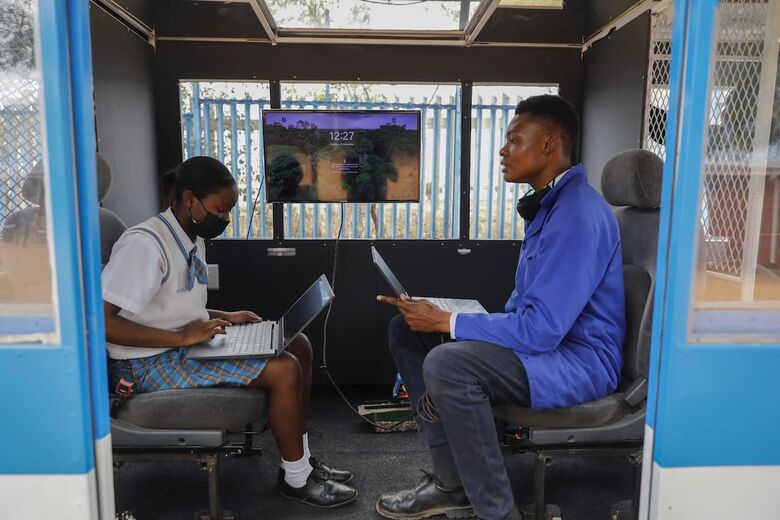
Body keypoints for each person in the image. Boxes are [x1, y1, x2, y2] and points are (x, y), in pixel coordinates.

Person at [375, 95, 625, 520]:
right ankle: (450, 483)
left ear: (549, 144)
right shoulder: (551, 206)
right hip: (547, 347)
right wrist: (444, 321)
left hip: (578, 361)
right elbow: (528, 314)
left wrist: (450, 321)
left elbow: (543, 330)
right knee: (407, 331)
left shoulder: (578, 215)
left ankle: (496, 512)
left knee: (448, 365)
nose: (503, 151)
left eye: (514, 140)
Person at [102, 156, 357, 508]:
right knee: (283, 370)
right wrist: (181, 338)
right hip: (144, 365)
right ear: (189, 199)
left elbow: (167, 305)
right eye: (220, 210)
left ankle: (301, 462)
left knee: (298, 346)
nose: (224, 218)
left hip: (179, 346)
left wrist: (225, 315)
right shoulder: (145, 245)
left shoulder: (189, 237)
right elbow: (102, 323)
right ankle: (296, 481)